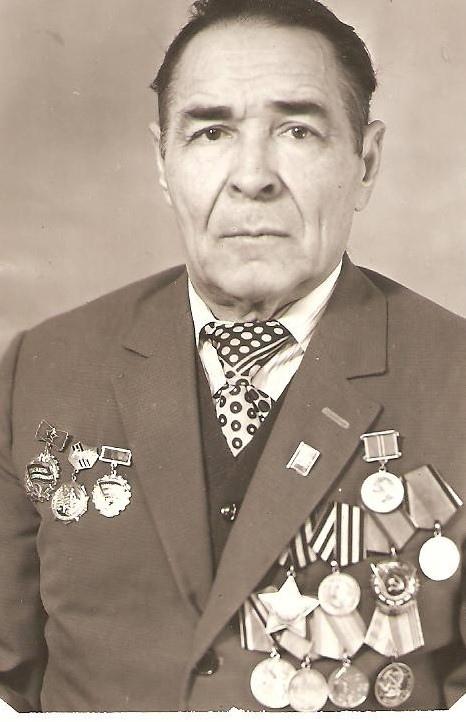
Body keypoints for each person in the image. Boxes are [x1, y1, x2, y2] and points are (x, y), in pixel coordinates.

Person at [0, 0, 465, 713]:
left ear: (366, 162)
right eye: (211, 131)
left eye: (298, 130)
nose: (253, 177)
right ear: (163, 162)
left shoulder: (455, 377)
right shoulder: (42, 367)